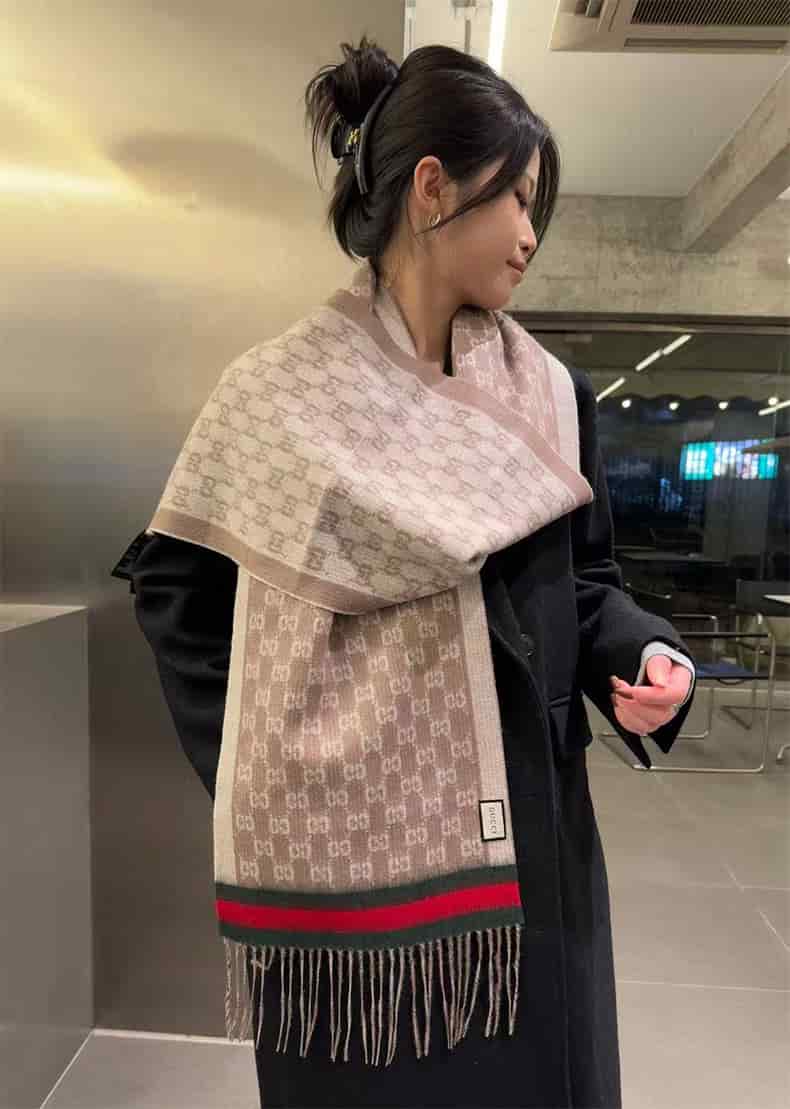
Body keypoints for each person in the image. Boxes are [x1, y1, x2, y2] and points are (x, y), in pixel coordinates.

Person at [121, 37, 696, 1109]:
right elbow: (177, 593)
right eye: (515, 197)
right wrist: (267, 769)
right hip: (349, 887)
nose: (529, 233)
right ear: (433, 187)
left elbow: (585, 581)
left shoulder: (551, 397)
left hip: (531, 852)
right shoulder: (278, 400)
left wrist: (644, 649)